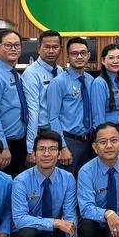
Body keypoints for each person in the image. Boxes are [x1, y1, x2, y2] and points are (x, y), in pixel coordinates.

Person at [10, 130, 83, 237]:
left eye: (52, 149)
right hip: (26, 235)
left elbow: (70, 217)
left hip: (52, 235)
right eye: (42, 149)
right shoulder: (21, 180)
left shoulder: (68, 179)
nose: (47, 154)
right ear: (34, 154)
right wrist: (55, 222)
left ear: (59, 154)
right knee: (27, 234)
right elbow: (19, 219)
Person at [0, 29, 32, 176]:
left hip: (19, 143)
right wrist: (2, 146)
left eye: (17, 45)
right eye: (8, 45)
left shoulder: (15, 74)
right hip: (3, 144)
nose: (13, 49)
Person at [46, 37, 96, 174]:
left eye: (83, 53)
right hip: (69, 142)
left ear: (88, 55)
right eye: (74, 53)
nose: (79, 57)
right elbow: (53, 118)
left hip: (89, 141)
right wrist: (62, 147)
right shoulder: (58, 82)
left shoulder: (91, 80)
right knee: (66, 182)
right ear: (67, 56)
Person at [22, 29, 62, 138]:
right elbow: (32, 112)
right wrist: (31, 144)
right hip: (42, 132)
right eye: (47, 47)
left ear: (61, 49)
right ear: (39, 48)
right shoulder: (31, 73)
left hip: (59, 129)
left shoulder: (60, 71)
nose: (51, 51)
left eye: (55, 47)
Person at [91, 43, 119, 134]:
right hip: (109, 133)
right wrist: (103, 135)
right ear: (103, 61)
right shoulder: (99, 83)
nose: (115, 61)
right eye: (111, 58)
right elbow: (98, 116)